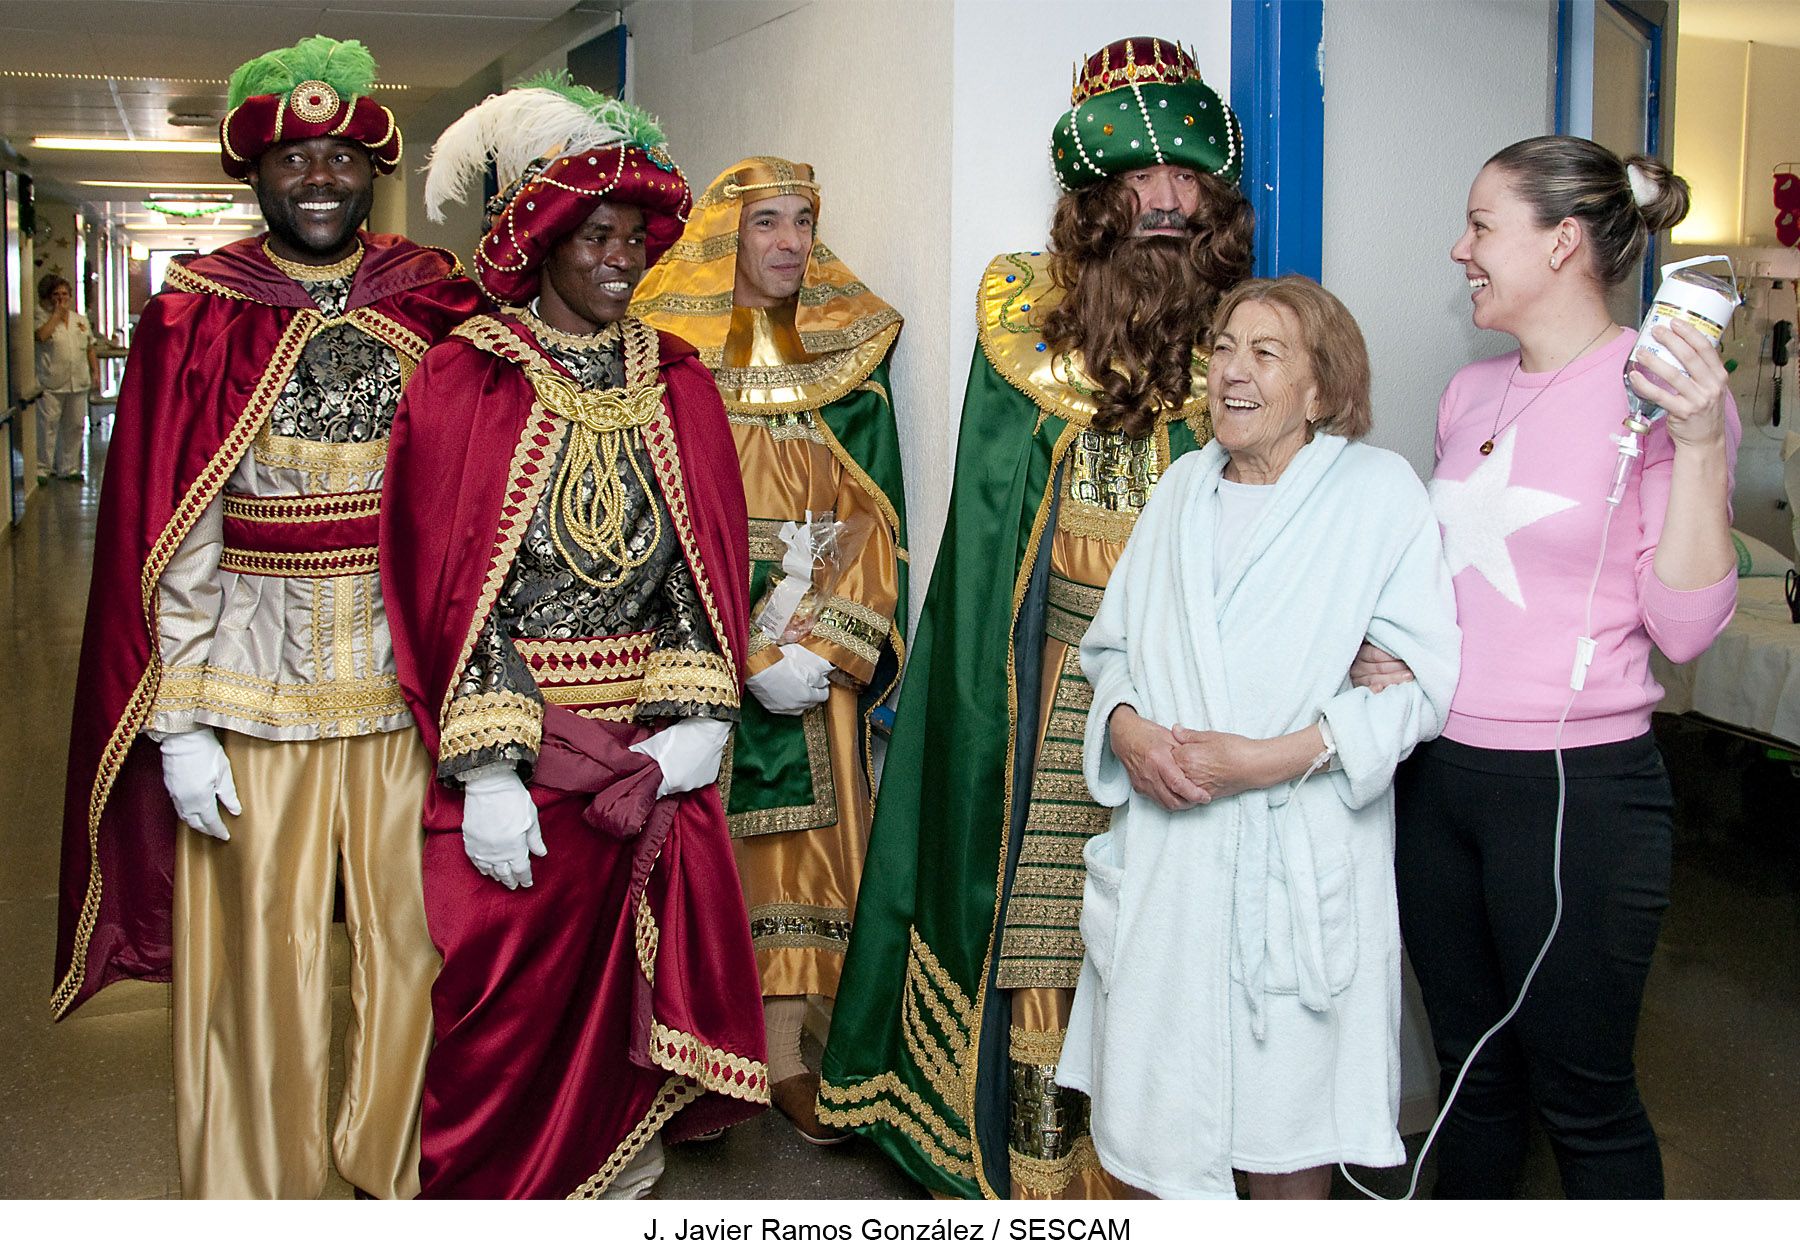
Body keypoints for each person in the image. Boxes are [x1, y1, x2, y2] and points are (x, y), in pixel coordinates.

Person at [819, 35, 1253, 1199]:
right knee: (1051, 925)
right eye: (1136, 179)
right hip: (1052, 689)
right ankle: (1053, 1169)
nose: (1164, 202)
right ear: (1094, 196)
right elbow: (987, 537)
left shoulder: (1259, 338)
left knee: (1183, 930)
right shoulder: (1025, 327)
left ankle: (1176, 1157)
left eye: (1188, 178)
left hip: (1206, 693)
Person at [51, 37, 486, 1198]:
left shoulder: (436, 302)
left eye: (342, 155)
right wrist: (179, 722)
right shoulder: (198, 313)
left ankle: (398, 1177)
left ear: (370, 170)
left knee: (415, 951)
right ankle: (265, 1196)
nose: (320, 179)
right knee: (265, 961)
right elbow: (169, 528)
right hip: (251, 690)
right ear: (258, 173)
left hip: (404, 693)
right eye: (296, 158)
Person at [387, 74, 767, 1199]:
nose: (618, 256)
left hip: (648, 753)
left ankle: (616, 1189)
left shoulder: (679, 382)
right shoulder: (465, 376)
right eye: (592, 236)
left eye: (631, 236)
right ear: (540, 242)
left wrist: (696, 723)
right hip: (518, 749)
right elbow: (450, 587)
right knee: (496, 998)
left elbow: (704, 561)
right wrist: (494, 770)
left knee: (628, 1016)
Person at [1056, 276, 1460, 1199]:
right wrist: (1126, 731)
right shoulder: (1179, 489)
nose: (1232, 371)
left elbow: (1417, 688)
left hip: (1295, 856)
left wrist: (1267, 759)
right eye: (1224, 348)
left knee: (1288, 1124)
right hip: (1170, 858)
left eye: (1265, 354)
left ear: (1322, 390)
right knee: (1156, 1122)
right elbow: (1108, 649)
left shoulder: (1376, 494)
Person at [1389, 136, 1740, 1198]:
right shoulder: (1467, 395)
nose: (1460, 250)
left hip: (1576, 794)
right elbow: (1444, 583)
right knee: (1473, 1078)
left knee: (1583, 1099)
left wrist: (1707, 443)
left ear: (1564, 241)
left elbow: (1683, 629)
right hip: (1440, 779)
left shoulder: (1660, 395)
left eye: (1483, 226)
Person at [632, 157, 908, 1143]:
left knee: (800, 859)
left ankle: (786, 1060)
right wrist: (736, 646)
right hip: (695, 640)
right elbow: (651, 518)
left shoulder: (845, 371)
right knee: (692, 850)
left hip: (810, 652)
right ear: (726, 238)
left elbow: (876, 524)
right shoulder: (668, 368)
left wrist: (824, 643)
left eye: (804, 222)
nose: (790, 242)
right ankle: (684, 1060)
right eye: (767, 223)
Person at [33, 273, 98, 483]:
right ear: (48, 297)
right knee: (48, 426)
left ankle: (68, 467)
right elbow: (41, 336)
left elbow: (89, 347)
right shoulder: (41, 317)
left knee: (75, 426)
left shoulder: (80, 320)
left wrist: (95, 371)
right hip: (51, 382)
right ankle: (43, 468)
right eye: (56, 294)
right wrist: (56, 315)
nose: (61, 298)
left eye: (64, 294)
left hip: (78, 380)